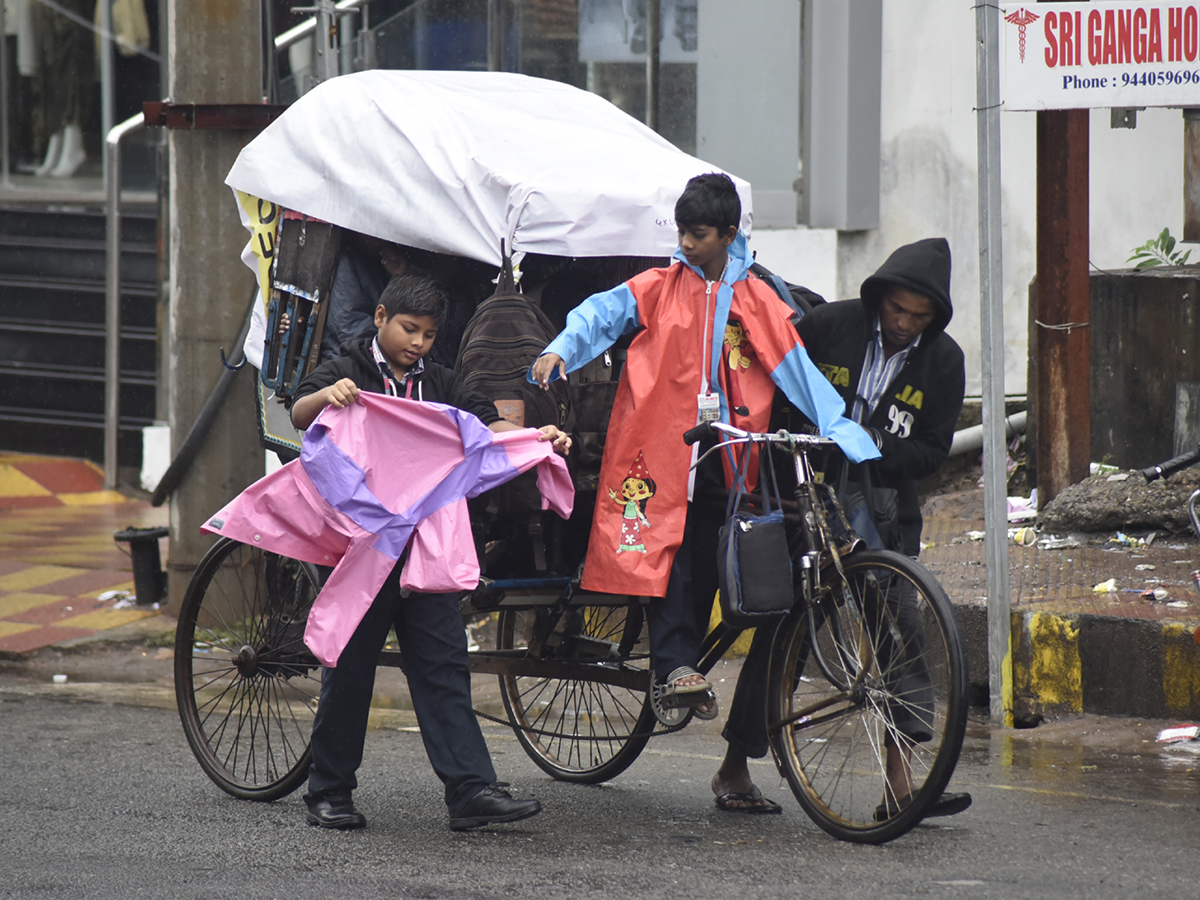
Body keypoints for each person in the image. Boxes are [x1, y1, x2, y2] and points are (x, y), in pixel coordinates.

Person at [531, 172, 879, 811]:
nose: (685, 244)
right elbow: (601, 314)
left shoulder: (758, 300)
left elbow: (794, 370)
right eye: (683, 232)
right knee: (669, 559)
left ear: (727, 234)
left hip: (732, 462)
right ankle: (674, 669)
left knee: (727, 561)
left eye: (697, 234)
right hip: (660, 456)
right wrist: (561, 348)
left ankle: (695, 680)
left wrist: (839, 427)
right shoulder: (659, 289)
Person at [291, 271, 570, 832]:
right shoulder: (348, 367)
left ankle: (469, 790)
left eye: (426, 335)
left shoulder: (442, 381)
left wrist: (534, 438)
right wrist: (329, 395)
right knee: (351, 668)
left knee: (445, 665)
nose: (416, 343)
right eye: (408, 329)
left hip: (428, 547)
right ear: (380, 318)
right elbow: (301, 412)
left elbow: (483, 422)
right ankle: (329, 789)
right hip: (364, 547)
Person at [713, 237, 972, 821]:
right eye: (896, 310)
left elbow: (932, 451)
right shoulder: (828, 326)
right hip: (802, 490)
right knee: (784, 628)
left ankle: (900, 785)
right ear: (880, 297)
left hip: (879, 504)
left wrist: (873, 448)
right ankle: (734, 765)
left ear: (935, 317)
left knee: (897, 629)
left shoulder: (944, 361)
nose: (904, 323)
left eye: (919, 316)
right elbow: (772, 390)